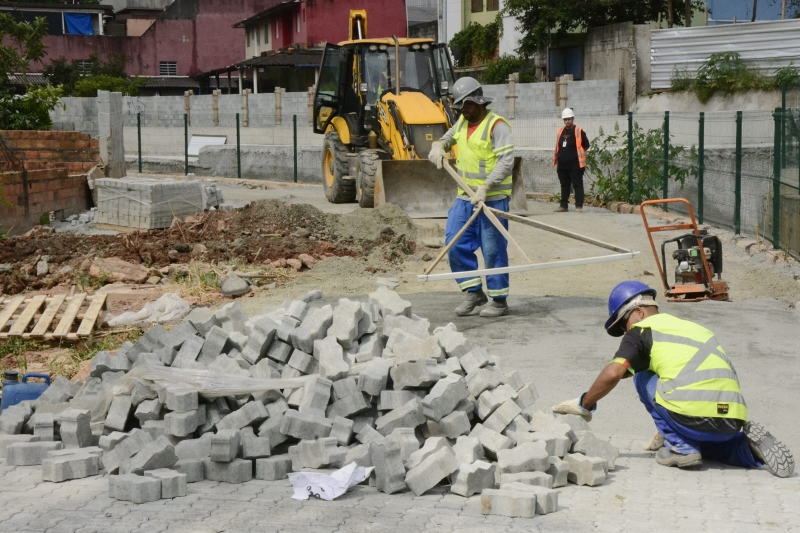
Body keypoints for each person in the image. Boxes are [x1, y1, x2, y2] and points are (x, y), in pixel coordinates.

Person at [553, 280, 795, 478]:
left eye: (623, 325)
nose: (625, 333)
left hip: (690, 415)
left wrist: (585, 404)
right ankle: (745, 449)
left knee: (641, 375)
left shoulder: (641, 331)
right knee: (711, 444)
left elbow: (614, 373)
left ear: (638, 312)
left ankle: (681, 447)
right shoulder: (695, 328)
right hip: (732, 419)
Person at [427, 77, 514, 318]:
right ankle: (473, 292)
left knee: (493, 250)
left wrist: (486, 187)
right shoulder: (462, 123)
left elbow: (506, 162)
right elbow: (447, 137)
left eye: (466, 105)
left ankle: (499, 300)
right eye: (460, 106)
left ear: (478, 102)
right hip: (465, 198)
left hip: (491, 199)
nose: (462, 110)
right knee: (454, 243)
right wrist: (438, 146)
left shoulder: (497, 126)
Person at [553, 108, 590, 213]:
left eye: (569, 119)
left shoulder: (579, 131)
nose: (567, 121)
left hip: (575, 165)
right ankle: (563, 206)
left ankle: (579, 206)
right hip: (562, 165)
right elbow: (558, 146)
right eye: (565, 119)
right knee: (564, 186)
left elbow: (586, 145)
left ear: (573, 119)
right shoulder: (560, 131)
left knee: (577, 185)